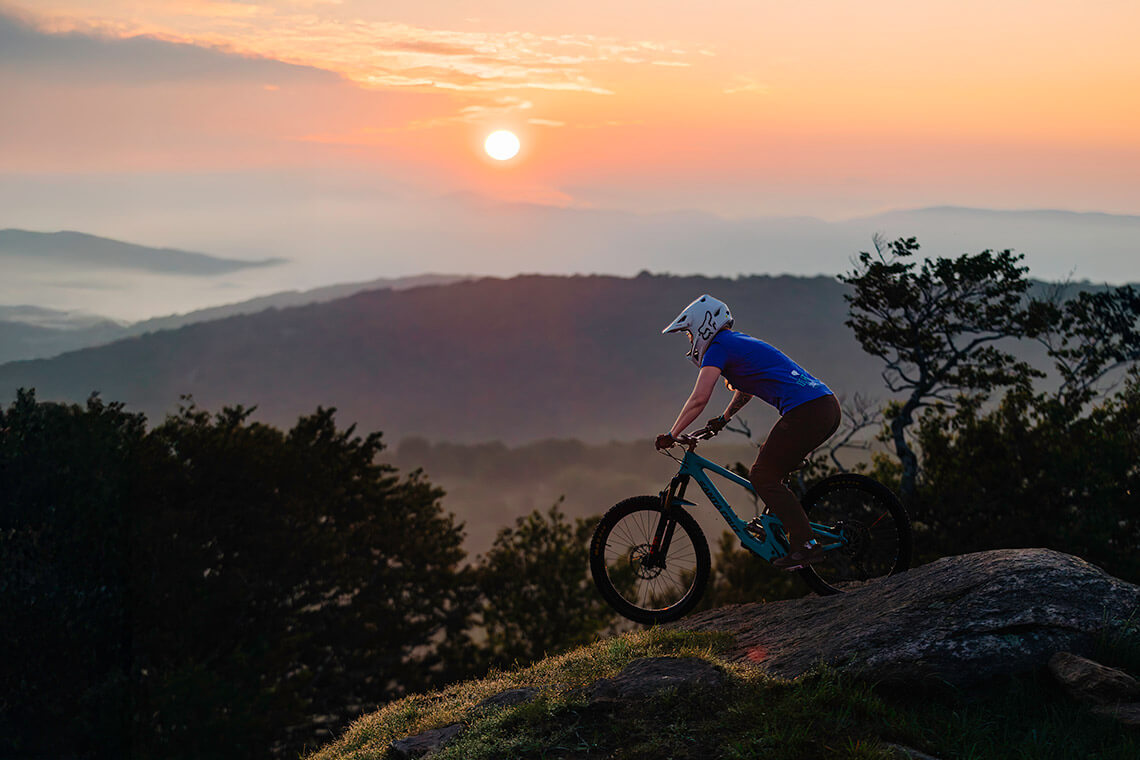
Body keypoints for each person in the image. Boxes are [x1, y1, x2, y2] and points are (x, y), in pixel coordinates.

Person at [655, 294, 841, 570]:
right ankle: (782, 532)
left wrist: (673, 433)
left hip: (808, 411)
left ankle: (806, 545)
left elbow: (699, 398)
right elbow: (746, 389)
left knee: (762, 475)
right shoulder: (736, 342)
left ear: (703, 327)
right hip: (823, 407)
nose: (691, 341)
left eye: (689, 333)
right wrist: (723, 419)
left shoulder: (719, 346)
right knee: (771, 474)